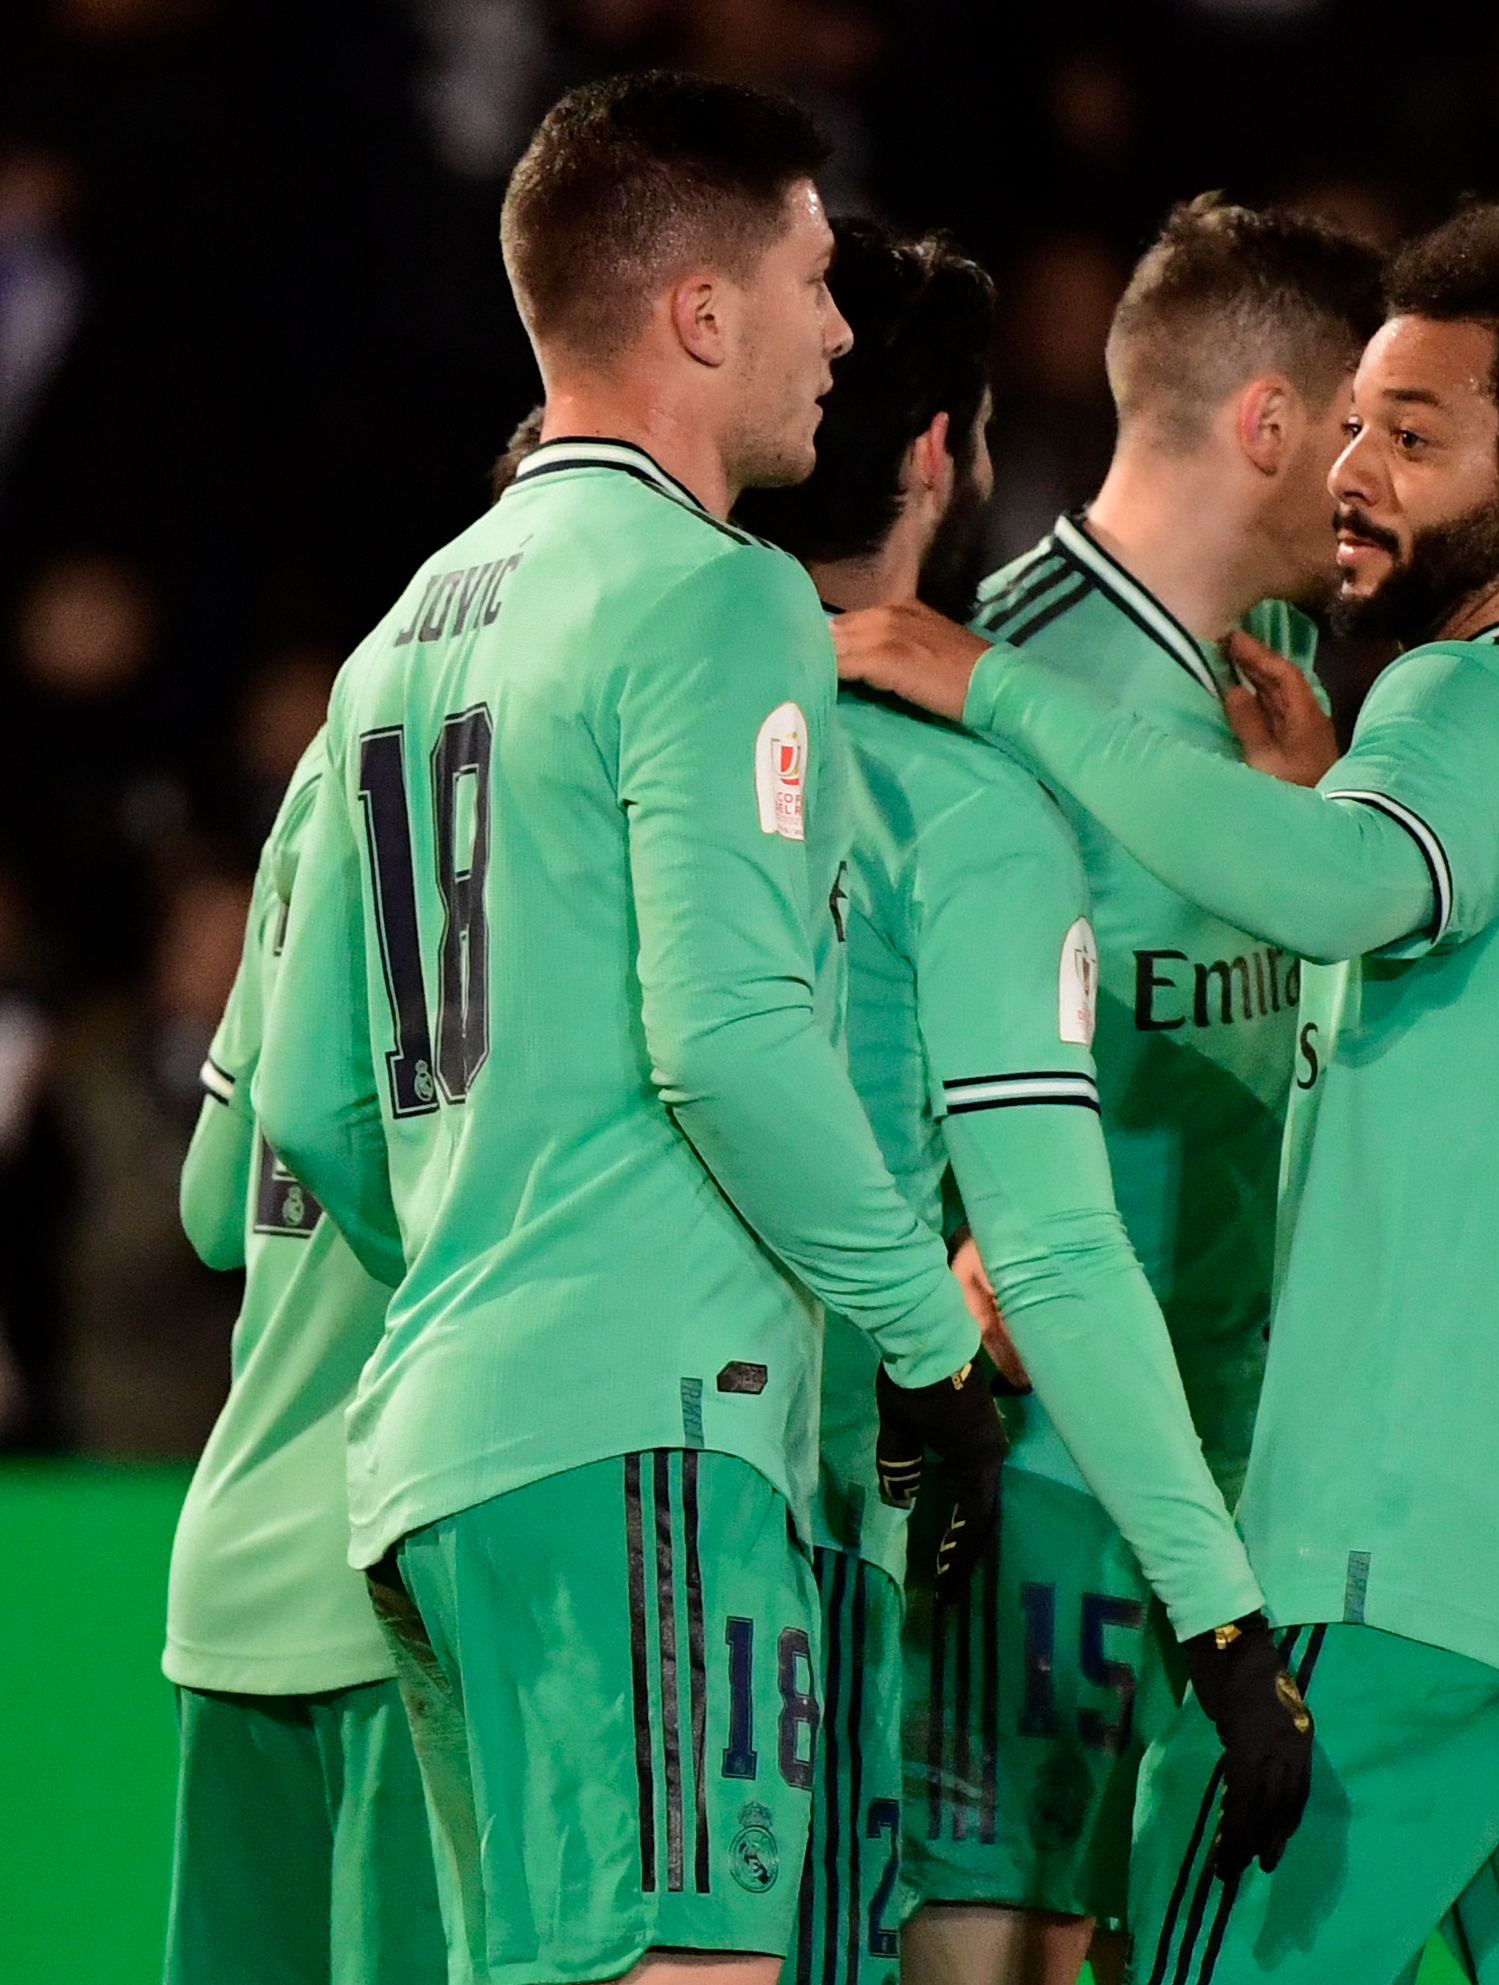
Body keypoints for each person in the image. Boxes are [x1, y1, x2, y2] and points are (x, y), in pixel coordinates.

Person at [837, 201, 1499, 1985]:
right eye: (1353, 420)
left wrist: (991, 685)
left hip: (1404, 1566)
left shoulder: (1462, 705)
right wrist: (1332, 791)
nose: (1354, 468)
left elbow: (1340, 889)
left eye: (1413, 436)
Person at [254, 74, 1014, 1985]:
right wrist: (934, 1349)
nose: (842, 330)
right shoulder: (716, 597)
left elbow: (314, 1104)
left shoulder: (404, 631)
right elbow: (737, 1036)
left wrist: (495, 1248)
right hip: (650, 1437)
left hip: (434, 1461)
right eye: (816, 277)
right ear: (700, 312)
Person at [731, 214, 1327, 1985]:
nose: (1378, 472)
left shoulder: (1285, 687)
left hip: (1225, 1456)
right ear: (1278, 422)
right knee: (976, 1938)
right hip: (1033, 1463)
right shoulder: (982, 677)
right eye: (1367, 419)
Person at [160, 728, 445, 1985]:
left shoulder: (316, 796)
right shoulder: (544, 844)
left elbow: (211, 1209)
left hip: (228, 1568)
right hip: (407, 1573)